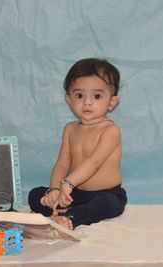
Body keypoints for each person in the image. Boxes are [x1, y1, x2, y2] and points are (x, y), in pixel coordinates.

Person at [28, 58, 127, 230]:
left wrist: (68, 183)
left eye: (97, 96)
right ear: (69, 99)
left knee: (108, 204)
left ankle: (72, 216)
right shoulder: (70, 129)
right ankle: (62, 209)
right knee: (35, 195)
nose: (87, 102)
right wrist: (55, 190)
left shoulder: (110, 131)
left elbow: (94, 163)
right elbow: (62, 164)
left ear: (112, 102)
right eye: (79, 95)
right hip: (75, 193)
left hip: (106, 193)